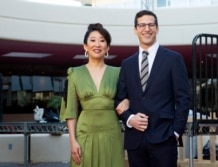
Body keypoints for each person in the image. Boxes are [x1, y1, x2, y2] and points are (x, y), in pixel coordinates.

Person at [115, 10, 191, 167]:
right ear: (135, 30)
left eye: (151, 25)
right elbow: (119, 99)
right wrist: (130, 119)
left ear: (157, 28)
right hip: (135, 141)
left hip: (164, 138)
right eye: (142, 25)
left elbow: (183, 98)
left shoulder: (173, 59)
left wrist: (176, 132)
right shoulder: (127, 64)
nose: (146, 29)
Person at [60, 23, 128, 167]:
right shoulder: (74, 73)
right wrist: (72, 141)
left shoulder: (119, 72)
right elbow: (70, 111)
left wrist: (128, 101)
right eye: (92, 40)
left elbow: (132, 96)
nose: (97, 44)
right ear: (85, 46)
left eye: (102, 40)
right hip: (84, 133)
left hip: (111, 133)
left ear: (108, 48)